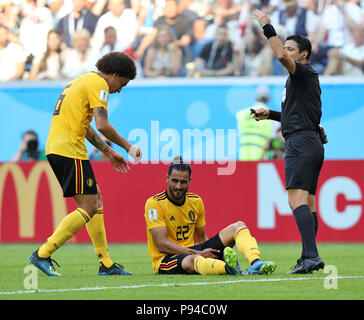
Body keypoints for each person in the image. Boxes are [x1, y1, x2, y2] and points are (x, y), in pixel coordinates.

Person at [28, 51, 142, 276]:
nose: (120, 89)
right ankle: (43, 253)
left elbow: (87, 127)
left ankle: (106, 264)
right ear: (115, 74)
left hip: (61, 148)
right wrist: (128, 147)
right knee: (89, 206)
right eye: (123, 83)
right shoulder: (99, 84)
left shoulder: (80, 81)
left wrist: (108, 152)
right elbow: (102, 125)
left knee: (96, 199)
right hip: (69, 150)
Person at [252, 9, 325, 274]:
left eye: (291, 48)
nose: (286, 51)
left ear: (303, 54)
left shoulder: (302, 73)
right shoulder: (305, 80)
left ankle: (311, 257)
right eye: (286, 47)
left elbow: (280, 56)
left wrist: (268, 26)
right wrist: (270, 114)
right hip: (311, 140)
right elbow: (299, 116)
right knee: (309, 202)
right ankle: (309, 255)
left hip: (301, 143)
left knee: (297, 202)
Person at [144, 156, 277, 276]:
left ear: (190, 181)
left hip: (194, 251)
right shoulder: (155, 204)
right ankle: (227, 268)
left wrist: (211, 252)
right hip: (167, 259)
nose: (178, 186)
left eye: (183, 182)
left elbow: (201, 238)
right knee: (193, 260)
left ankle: (256, 263)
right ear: (167, 178)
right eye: (174, 181)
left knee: (238, 226)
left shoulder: (196, 201)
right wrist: (199, 253)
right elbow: (162, 245)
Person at [236, 85, 277, 161]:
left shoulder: (241, 114)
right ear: (269, 99)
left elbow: (239, 135)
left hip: (243, 157)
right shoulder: (272, 117)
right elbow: (272, 141)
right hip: (261, 158)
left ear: (255, 97)